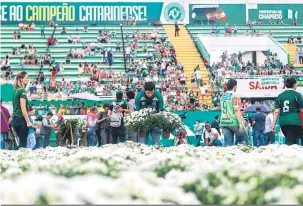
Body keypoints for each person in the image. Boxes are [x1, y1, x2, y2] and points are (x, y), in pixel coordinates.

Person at [273, 77, 303, 145]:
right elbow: (302, 109)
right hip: (295, 121)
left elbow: (276, 111)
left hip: (283, 122)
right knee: (292, 142)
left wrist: (273, 125)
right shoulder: (297, 94)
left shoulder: (280, 96)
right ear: (294, 84)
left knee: (289, 138)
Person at [220, 79, 245, 146]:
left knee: (228, 145)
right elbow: (236, 109)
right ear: (234, 86)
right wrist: (240, 124)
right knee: (244, 141)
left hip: (224, 121)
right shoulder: (235, 95)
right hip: (233, 121)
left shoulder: (223, 96)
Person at [11, 71, 32, 148]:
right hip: (21, 120)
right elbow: (23, 107)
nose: (28, 79)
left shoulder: (14, 90)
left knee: (19, 143)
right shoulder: (22, 91)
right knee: (23, 144)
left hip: (15, 119)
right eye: (27, 78)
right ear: (21, 79)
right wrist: (28, 121)